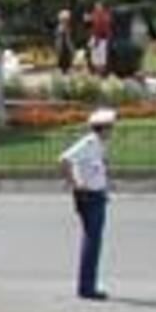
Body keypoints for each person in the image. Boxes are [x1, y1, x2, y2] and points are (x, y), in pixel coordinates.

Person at [61, 106, 114, 301]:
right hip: (88, 196)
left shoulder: (98, 144)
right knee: (92, 242)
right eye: (110, 127)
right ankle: (86, 287)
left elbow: (97, 170)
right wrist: (74, 184)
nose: (112, 131)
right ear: (102, 128)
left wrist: (104, 190)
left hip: (96, 195)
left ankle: (88, 284)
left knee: (93, 241)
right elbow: (64, 160)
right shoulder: (89, 143)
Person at [88, 0, 114, 77]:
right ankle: (99, 75)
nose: (97, 8)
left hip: (100, 39)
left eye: (98, 6)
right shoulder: (103, 15)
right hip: (100, 39)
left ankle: (99, 75)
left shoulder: (101, 15)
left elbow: (98, 27)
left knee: (98, 59)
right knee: (99, 59)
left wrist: (96, 39)